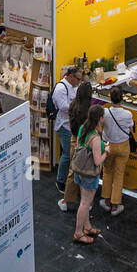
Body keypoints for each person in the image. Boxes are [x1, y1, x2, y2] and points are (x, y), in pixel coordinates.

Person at [71, 104, 107, 245]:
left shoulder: (83, 129)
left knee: (84, 200)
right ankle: (78, 233)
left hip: (79, 169)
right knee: (85, 203)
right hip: (89, 173)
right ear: (100, 119)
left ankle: (87, 226)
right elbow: (98, 161)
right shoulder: (96, 138)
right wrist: (107, 152)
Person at [57, 81, 93, 213]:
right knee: (88, 174)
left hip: (74, 140)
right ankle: (88, 203)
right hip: (87, 143)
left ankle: (66, 200)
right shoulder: (90, 110)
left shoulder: (72, 106)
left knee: (72, 172)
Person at [98, 85, 133, 217]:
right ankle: (115, 205)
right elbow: (130, 126)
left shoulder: (105, 112)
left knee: (107, 172)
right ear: (122, 98)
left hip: (108, 146)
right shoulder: (127, 114)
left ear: (110, 97)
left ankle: (106, 201)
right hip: (123, 146)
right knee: (119, 175)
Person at [51, 65, 84, 194]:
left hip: (71, 124)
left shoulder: (72, 87)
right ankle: (60, 181)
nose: (79, 82)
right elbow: (63, 106)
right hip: (64, 125)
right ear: (70, 77)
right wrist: (77, 104)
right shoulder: (61, 88)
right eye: (77, 79)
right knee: (66, 154)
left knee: (69, 153)